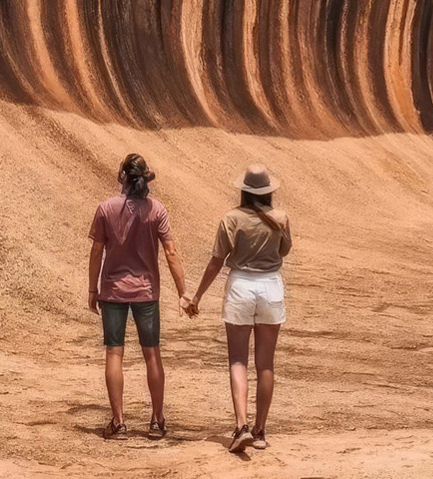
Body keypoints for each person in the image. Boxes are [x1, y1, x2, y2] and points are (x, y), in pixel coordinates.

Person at [185, 164, 292, 453]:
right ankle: (260, 431)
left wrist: (196, 297)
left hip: (241, 287)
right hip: (270, 287)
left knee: (238, 361)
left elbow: (217, 260)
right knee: (266, 364)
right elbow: (283, 251)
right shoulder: (280, 218)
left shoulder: (231, 218)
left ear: (243, 191)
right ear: (269, 192)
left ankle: (241, 426)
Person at [87, 153, 189, 440]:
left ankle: (118, 422)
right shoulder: (156, 210)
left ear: (122, 177)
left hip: (113, 291)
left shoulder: (106, 209)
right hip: (146, 292)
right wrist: (183, 293)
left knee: (114, 352)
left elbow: (96, 252)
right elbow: (170, 252)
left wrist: (92, 289)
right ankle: (157, 420)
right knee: (152, 354)